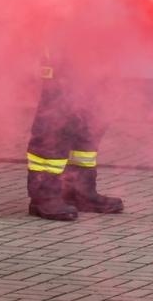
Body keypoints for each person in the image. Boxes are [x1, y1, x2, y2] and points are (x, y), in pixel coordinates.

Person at [25, 55, 125, 221]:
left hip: (92, 47)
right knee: (56, 119)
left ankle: (79, 190)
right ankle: (44, 195)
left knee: (90, 119)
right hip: (63, 47)